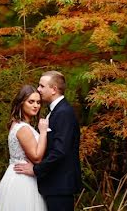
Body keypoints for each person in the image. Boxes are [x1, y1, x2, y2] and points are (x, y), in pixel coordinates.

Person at [14, 70, 82, 211]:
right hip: (54, 185)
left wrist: (36, 170)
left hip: (60, 185)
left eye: (42, 86)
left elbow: (60, 151)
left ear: (54, 89)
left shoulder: (64, 113)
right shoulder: (55, 111)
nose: (38, 89)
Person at [0, 85, 49, 211]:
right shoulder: (23, 128)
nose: (36, 105)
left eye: (38, 102)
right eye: (31, 102)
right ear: (21, 103)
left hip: (20, 176)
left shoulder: (19, 124)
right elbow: (36, 158)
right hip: (22, 180)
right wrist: (44, 132)